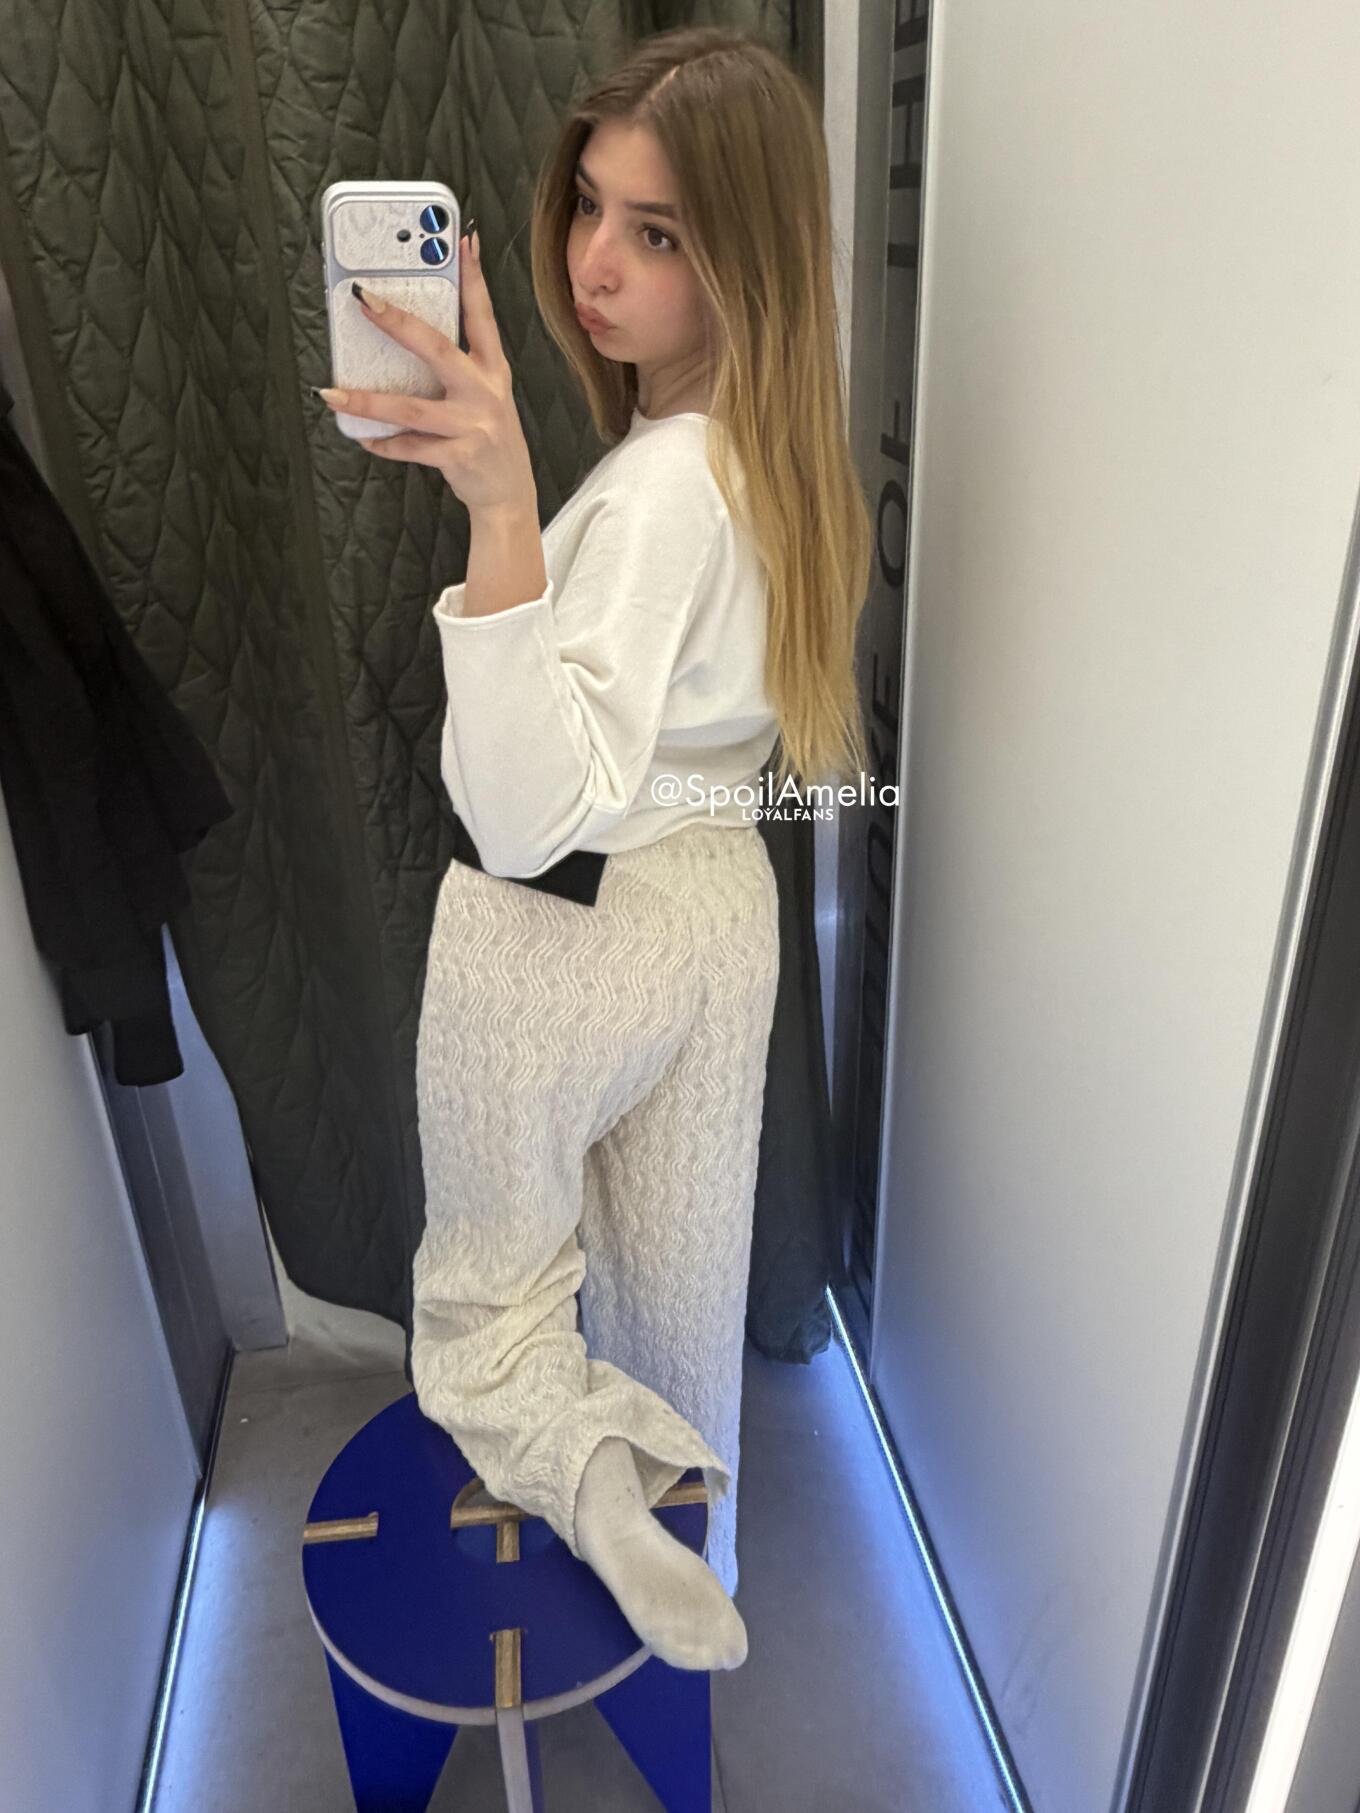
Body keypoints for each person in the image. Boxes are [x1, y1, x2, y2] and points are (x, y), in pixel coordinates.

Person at [316, 25, 870, 1673]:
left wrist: (502, 510)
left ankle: (584, 1481)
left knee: (488, 1310)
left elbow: (525, 808)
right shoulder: (784, 458)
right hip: (715, 912)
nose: (595, 263)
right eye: (591, 209)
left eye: (661, 233)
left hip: (560, 928)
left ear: (747, 260)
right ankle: (703, 1539)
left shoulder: (660, 487)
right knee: (680, 1302)